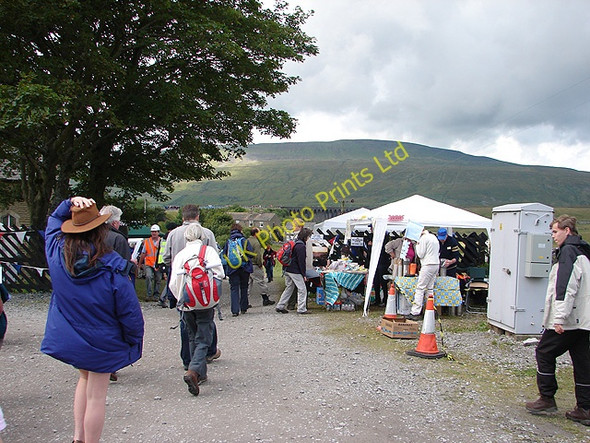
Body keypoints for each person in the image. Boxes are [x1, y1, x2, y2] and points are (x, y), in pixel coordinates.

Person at [41, 196, 144, 443]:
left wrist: (70, 203)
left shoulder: (56, 253)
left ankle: (78, 437)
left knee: (83, 380)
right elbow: (130, 313)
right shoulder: (113, 269)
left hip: (72, 336)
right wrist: (133, 341)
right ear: (101, 230)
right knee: (97, 396)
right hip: (103, 340)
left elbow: (54, 220)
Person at [525, 215, 590, 425]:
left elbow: (566, 287)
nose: (552, 236)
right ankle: (585, 407)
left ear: (567, 231)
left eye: (555, 232)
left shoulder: (568, 252)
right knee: (582, 361)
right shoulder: (583, 250)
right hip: (583, 320)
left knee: (544, 351)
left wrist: (559, 318)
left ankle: (546, 398)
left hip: (570, 318)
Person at [169, 223, 225, 396]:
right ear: (202, 237)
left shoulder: (180, 255)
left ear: (186, 237)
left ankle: (200, 375)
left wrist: (181, 297)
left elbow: (173, 282)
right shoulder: (208, 252)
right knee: (203, 339)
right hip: (205, 302)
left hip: (186, 302)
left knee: (193, 336)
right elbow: (220, 274)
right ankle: (193, 371)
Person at [163, 204, 221, 369]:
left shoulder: (173, 234)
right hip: (202, 287)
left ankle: (187, 358)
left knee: (185, 323)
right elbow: (215, 259)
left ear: (182, 217)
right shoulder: (207, 233)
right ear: (198, 216)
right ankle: (208, 352)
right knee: (206, 320)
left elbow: (166, 257)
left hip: (181, 285)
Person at [99, 204, 134, 382]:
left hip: (94, 288)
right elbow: (123, 267)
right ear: (114, 222)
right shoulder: (118, 239)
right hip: (113, 288)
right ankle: (110, 365)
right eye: (119, 221)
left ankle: (96, 361)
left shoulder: (91, 236)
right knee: (115, 326)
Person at [275, 228, 313, 315]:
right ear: (306, 237)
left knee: (289, 287)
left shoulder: (295, 242)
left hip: (287, 268)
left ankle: (280, 305)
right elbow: (301, 261)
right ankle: (301, 308)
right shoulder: (301, 246)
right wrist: (304, 274)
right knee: (302, 289)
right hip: (294, 270)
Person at [407, 229, 440, 320]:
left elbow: (420, 254)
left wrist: (417, 245)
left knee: (420, 288)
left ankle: (415, 312)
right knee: (430, 288)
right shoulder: (433, 237)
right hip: (436, 263)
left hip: (427, 264)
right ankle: (430, 309)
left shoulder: (423, 239)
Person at [223, 223, 254, 316]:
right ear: (240, 230)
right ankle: (244, 307)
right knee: (244, 287)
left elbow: (224, 254)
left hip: (233, 268)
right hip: (244, 268)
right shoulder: (244, 241)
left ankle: (235, 310)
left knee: (234, 289)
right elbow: (251, 253)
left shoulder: (228, 242)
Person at [247, 228, 275, 306]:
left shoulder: (247, 240)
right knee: (261, 282)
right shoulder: (256, 243)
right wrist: (260, 264)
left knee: (248, 284)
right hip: (254, 265)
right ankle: (265, 299)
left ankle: (245, 301)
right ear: (256, 233)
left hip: (247, 265)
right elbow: (258, 255)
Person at [139, 225, 163, 300]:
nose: (154, 233)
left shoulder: (162, 241)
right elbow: (143, 253)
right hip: (149, 263)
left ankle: (156, 295)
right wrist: (140, 263)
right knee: (149, 276)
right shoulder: (147, 241)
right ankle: (149, 295)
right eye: (152, 232)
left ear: (158, 232)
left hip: (158, 264)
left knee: (158, 279)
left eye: (155, 232)